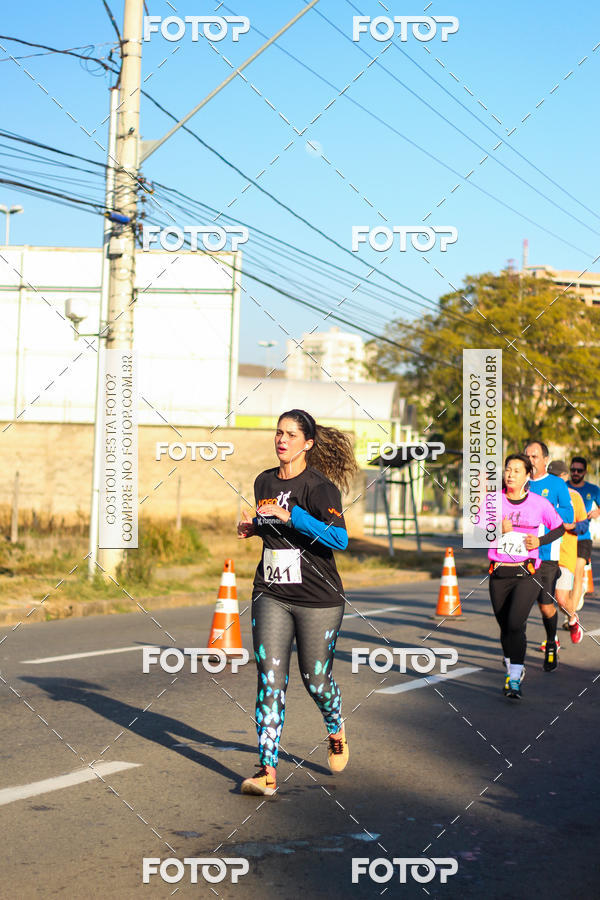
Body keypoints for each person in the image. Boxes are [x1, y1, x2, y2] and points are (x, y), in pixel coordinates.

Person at [237, 409, 358, 795]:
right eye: (278, 432)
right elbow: (273, 532)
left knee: (315, 679)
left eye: (290, 434)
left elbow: (338, 539)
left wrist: (292, 516)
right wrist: (254, 528)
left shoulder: (320, 488)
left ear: (307, 443)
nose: (281, 439)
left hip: (317, 599)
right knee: (269, 679)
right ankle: (267, 770)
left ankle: (335, 726)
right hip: (271, 592)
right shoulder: (264, 481)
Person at [489, 454, 564, 700]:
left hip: (528, 572)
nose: (510, 474)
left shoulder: (538, 503)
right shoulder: (493, 501)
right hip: (499, 572)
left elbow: (560, 526)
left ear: (527, 476)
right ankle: (513, 663)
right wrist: (494, 528)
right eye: (508, 469)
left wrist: (539, 540)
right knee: (504, 626)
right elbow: (474, 529)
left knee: (514, 623)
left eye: (516, 470)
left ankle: (514, 678)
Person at [524, 441, 574, 671]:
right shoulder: (519, 482)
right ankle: (515, 655)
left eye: (534, 456)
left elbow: (567, 514)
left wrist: (542, 511)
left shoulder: (556, 485)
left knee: (545, 606)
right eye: (527, 456)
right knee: (518, 605)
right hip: (520, 555)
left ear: (545, 459)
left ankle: (552, 642)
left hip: (547, 555)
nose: (530, 460)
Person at [546, 461, 587, 644]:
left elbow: (584, 525)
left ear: (564, 477)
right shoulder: (542, 494)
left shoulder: (574, 497)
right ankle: (552, 639)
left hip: (565, 555)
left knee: (561, 598)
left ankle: (572, 618)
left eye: (558, 477)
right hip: (544, 554)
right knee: (545, 602)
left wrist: (573, 526)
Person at [568, 456, 600, 614]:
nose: (575, 473)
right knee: (565, 576)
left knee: (578, 570)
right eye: (573, 469)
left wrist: (597, 511)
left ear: (585, 472)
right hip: (564, 538)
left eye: (579, 470)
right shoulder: (563, 487)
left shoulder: (593, 489)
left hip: (583, 537)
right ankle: (570, 605)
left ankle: (571, 614)